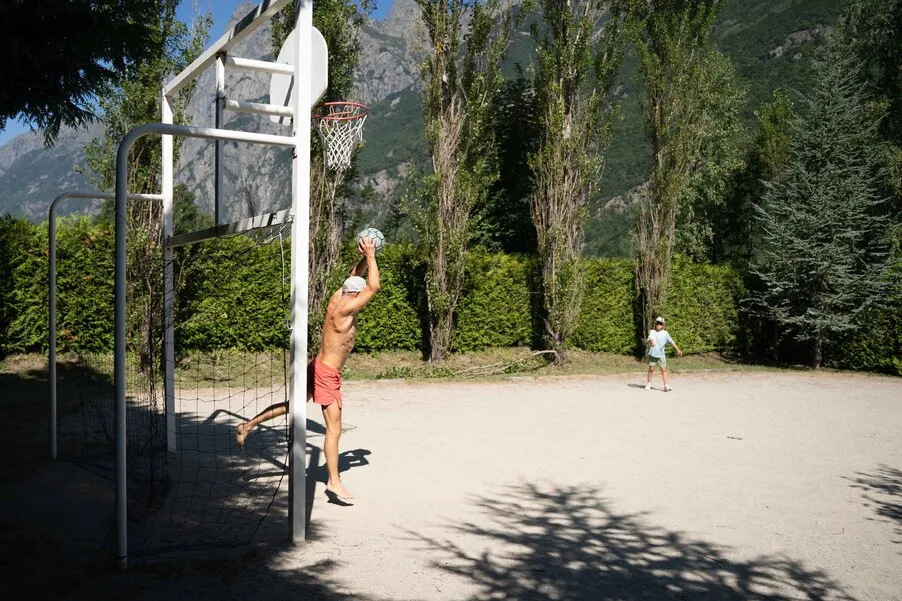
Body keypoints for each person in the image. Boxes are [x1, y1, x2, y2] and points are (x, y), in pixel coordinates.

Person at [236, 236, 381, 501]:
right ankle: (334, 482)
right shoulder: (347, 310)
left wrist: (363, 258)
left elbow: (356, 276)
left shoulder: (339, 298)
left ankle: (249, 425)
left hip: (317, 365)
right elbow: (374, 286)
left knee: (294, 405)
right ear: (356, 295)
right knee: (334, 430)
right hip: (327, 374)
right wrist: (371, 255)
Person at [645, 316, 682, 392]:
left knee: (663, 370)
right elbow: (650, 338)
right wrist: (651, 341)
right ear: (655, 324)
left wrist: (677, 350)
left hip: (661, 355)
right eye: (657, 323)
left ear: (663, 325)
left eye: (660, 323)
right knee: (651, 369)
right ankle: (649, 384)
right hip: (653, 354)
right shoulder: (652, 331)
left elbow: (671, 341)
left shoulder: (665, 333)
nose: (659, 324)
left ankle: (666, 385)